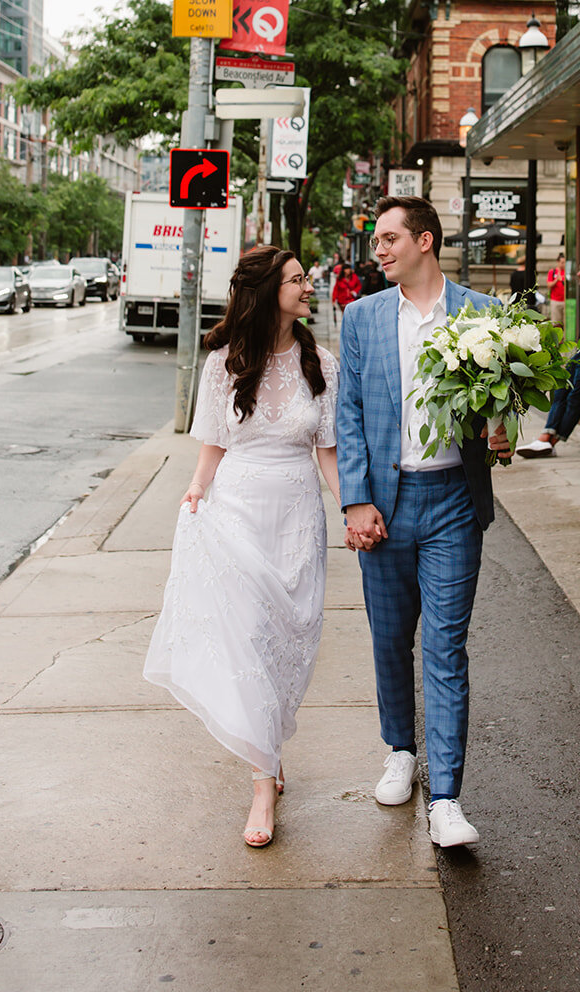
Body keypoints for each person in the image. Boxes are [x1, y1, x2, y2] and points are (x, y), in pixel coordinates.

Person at [144, 247, 341, 849]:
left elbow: (327, 451)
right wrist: (196, 489)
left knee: (291, 642)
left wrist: (354, 512)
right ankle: (263, 781)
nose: (309, 286)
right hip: (235, 515)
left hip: (297, 518)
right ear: (265, 292)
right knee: (249, 639)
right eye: (297, 279)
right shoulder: (223, 364)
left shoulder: (322, 363)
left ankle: (268, 744)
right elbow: (213, 442)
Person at [336, 195, 511, 850]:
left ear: (425, 242)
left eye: (387, 239)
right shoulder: (361, 319)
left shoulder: (483, 314)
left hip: (453, 504)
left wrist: (502, 434)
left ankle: (446, 799)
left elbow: (501, 410)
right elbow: (348, 413)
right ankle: (399, 752)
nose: (377, 250)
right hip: (385, 501)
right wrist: (356, 500)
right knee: (389, 639)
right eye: (376, 240)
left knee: (444, 647)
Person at [517, 255, 580, 455]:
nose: (578, 274)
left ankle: (551, 442)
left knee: (574, 397)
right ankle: (545, 435)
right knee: (560, 391)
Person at [547, 255, 566, 329]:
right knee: (556, 323)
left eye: (564, 262)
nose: (563, 264)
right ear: (558, 262)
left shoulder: (566, 272)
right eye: (562, 262)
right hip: (556, 301)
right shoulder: (552, 272)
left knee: (565, 323)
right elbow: (549, 285)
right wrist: (556, 280)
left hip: (565, 301)